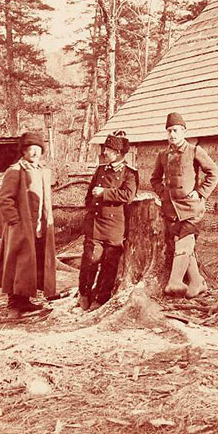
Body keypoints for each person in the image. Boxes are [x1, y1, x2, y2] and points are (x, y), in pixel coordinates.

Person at [150, 112, 218, 297]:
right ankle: (196, 283)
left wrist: (201, 192)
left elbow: (214, 173)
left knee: (183, 244)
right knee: (184, 246)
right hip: (171, 210)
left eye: (175, 131)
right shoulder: (163, 155)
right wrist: (163, 193)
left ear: (183, 131)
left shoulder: (194, 151)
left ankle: (174, 282)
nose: (172, 135)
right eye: (169, 131)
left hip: (191, 208)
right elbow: (154, 179)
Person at [0, 131, 58, 314]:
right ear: (23, 151)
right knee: (18, 263)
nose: (35, 153)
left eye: (38, 149)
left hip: (40, 226)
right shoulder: (15, 171)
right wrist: (15, 221)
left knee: (33, 263)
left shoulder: (43, 171)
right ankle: (14, 304)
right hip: (21, 227)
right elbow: (4, 199)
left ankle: (26, 300)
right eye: (31, 149)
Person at [79, 130, 138, 311]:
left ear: (118, 153)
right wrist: (91, 214)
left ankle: (101, 298)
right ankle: (84, 294)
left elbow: (128, 195)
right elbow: (89, 196)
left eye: (109, 150)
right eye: (105, 149)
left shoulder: (129, 173)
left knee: (109, 265)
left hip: (114, 226)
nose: (105, 153)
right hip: (96, 224)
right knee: (90, 260)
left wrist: (105, 193)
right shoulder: (100, 170)